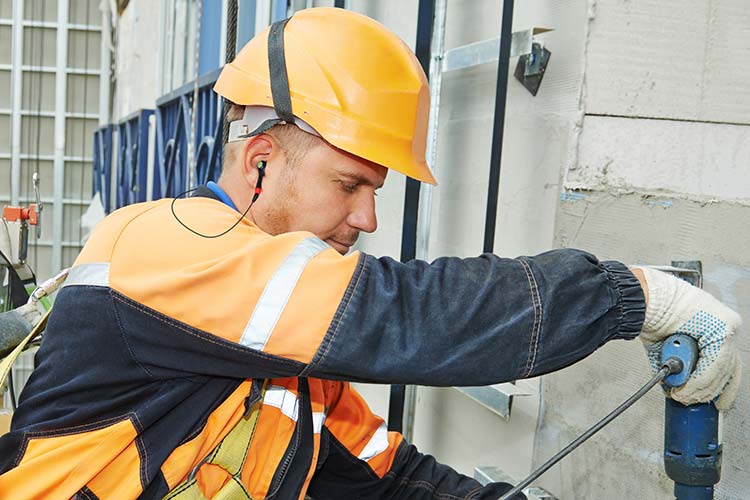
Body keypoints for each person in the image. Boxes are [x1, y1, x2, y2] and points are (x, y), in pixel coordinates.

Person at [0, 7, 741, 500]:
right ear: (261, 159)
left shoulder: (280, 352)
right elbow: (406, 317)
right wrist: (634, 296)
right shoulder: (166, 244)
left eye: (375, 189)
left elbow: (385, 477)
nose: (368, 217)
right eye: (350, 183)